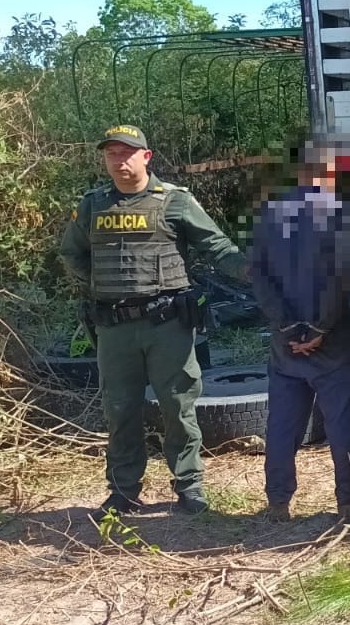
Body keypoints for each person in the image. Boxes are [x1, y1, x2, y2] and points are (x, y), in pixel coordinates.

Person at [59, 125, 247, 517]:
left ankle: (190, 487)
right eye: (112, 153)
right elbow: (72, 253)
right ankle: (124, 492)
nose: (119, 160)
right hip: (114, 328)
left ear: (147, 157)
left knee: (177, 406)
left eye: (128, 152)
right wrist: (97, 287)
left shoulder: (174, 201)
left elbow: (216, 246)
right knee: (120, 409)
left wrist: (253, 272)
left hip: (167, 325)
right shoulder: (93, 205)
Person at [248, 143, 350, 523]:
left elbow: (259, 276)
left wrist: (285, 325)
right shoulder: (344, 214)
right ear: (331, 171)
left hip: (285, 344)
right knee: (341, 425)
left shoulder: (270, 215)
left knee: (283, 424)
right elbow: (345, 278)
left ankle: (278, 502)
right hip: (333, 342)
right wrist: (320, 326)